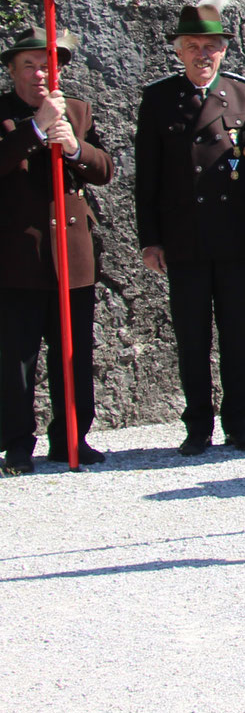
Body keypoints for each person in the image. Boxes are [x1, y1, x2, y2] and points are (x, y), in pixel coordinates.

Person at [134, 0, 245, 457]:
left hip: (238, 239)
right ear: (179, 50)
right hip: (186, 240)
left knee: (239, 335)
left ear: (224, 49)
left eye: (211, 46)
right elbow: (148, 177)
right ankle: (197, 423)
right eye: (193, 47)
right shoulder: (159, 100)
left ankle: (239, 422)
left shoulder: (243, 94)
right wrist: (150, 240)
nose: (203, 54)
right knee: (192, 337)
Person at [0, 27, 113, 473]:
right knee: (17, 356)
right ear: (12, 71)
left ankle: (71, 435)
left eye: (47, 64)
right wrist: (35, 127)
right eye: (28, 65)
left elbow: (104, 168)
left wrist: (72, 147)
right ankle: (15, 443)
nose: (39, 73)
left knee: (73, 352)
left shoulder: (79, 110)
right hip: (19, 255)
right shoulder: (4, 114)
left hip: (72, 253)